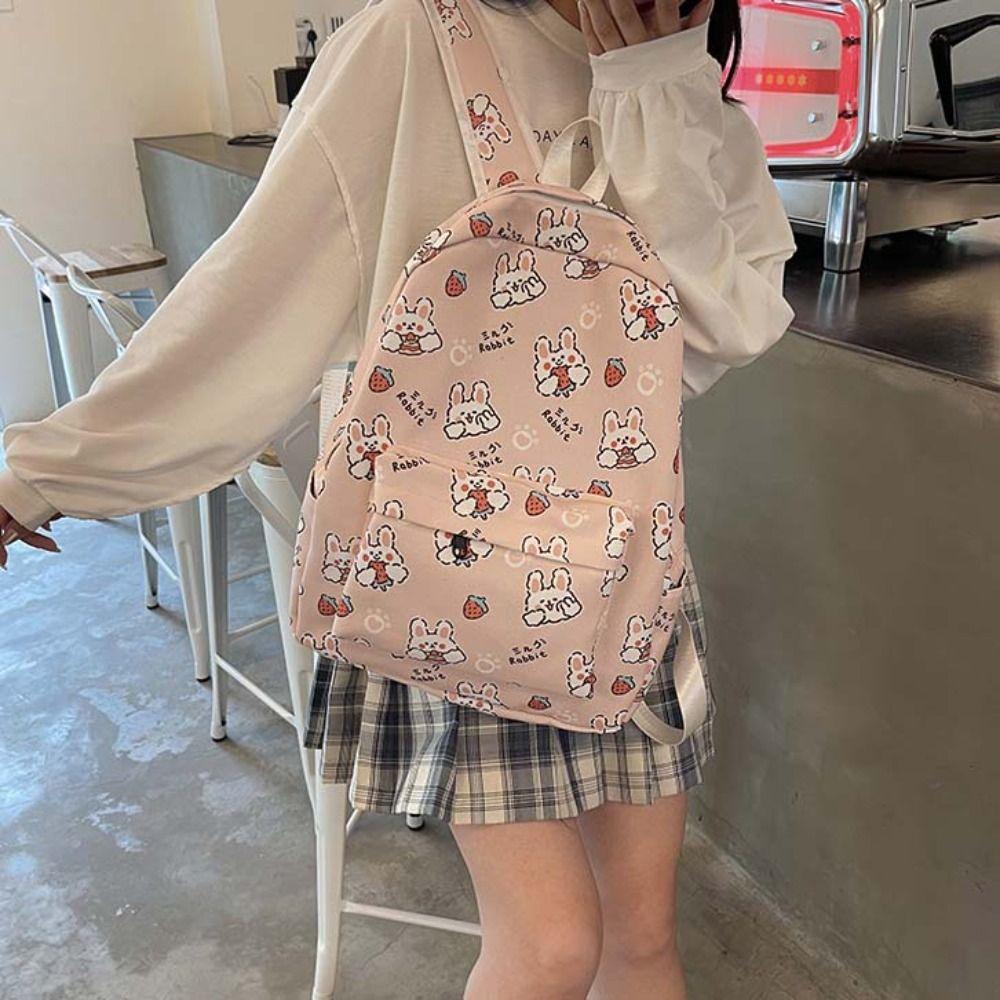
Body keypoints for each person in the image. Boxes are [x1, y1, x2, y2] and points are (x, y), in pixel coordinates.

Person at [0, 0, 796, 995]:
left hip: (623, 572)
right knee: (550, 945)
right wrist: (39, 476)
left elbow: (718, 335)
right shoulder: (414, 39)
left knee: (643, 939)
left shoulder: (683, 82)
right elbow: (247, 305)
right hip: (444, 576)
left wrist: (656, 87)